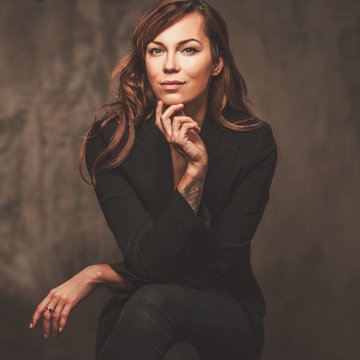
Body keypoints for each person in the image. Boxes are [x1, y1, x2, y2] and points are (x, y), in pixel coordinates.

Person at [29, 1, 278, 359]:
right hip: (143, 309)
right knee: (153, 325)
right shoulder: (112, 140)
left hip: (226, 313)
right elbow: (151, 264)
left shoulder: (253, 142)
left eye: (188, 49)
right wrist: (189, 181)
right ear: (145, 61)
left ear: (217, 61)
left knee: (155, 302)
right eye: (156, 50)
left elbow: (209, 267)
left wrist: (100, 273)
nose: (170, 65)